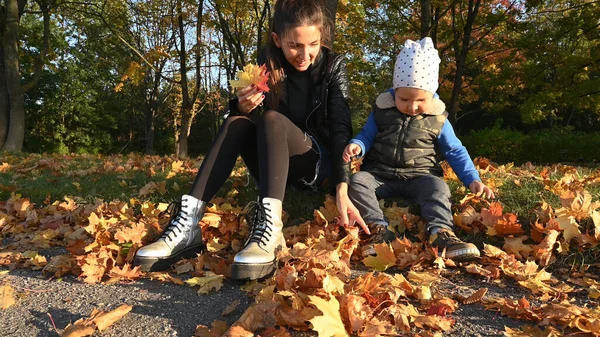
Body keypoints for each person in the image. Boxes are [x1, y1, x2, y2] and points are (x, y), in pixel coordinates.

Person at [134, 0, 367, 280]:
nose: (305, 54)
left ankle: (271, 228)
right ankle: (188, 225)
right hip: (272, 165)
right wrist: (241, 107)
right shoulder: (265, 64)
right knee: (237, 121)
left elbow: (341, 126)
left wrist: (342, 186)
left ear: (321, 38)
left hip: (314, 163)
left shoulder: (333, 65)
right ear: (277, 40)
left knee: (271, 119)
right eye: (295, 45)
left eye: (313, 44)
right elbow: (244, 121)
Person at [342, 37, 494, 262]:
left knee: (438, 187)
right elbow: (367, 135)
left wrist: (472, 179)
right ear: (395, 91)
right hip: (379, 174)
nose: (412, 107)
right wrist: (358, 145)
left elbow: (455, 151)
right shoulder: (382, 110)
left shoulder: (437, 118)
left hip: (419, 176)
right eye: (404, 99)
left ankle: (441, 233)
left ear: (431, 95)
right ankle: (379, 230)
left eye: (420, 100)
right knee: (357, 182)